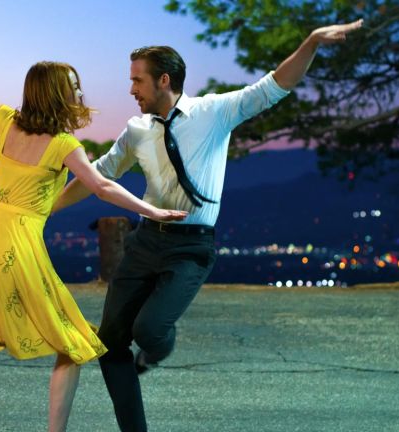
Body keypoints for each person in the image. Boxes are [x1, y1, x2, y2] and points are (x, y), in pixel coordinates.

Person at [52, 19, 364, 431]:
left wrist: (311, 42)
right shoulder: (136, 130)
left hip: (191, 248)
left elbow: (274, 86)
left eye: (137, 80)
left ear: (164, 80)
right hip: (145, 242)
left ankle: (157, 349)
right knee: (110, 343)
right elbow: (99, 175)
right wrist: (46, 209)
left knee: (150, 331)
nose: (131, 90)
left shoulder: (213, 112)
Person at [0, 10, 187, 432]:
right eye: (74, 87)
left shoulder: (5, 121)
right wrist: (152, 210)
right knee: (73, 342)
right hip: (20, 252)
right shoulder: (63, 145)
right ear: (56, 95)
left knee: (43, 331)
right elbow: (102, 186)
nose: (81, 92)